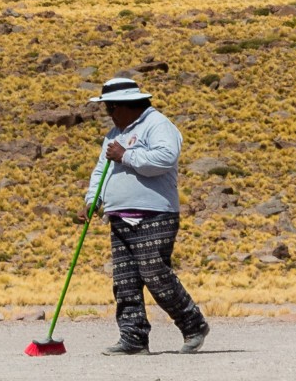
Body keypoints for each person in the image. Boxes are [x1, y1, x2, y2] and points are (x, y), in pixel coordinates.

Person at [88, 74, 207, 356]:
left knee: (154, 271)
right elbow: (99, 170)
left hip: (155, 214)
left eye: (110, 107)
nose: (108, 113)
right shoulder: (114, 134)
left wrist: (126, 156)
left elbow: (165, 159)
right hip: (119, 216)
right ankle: (133, 338)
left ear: (127, 104)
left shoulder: (158, 125)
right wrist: (94, 198)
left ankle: (193, 324)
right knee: (125, 279)